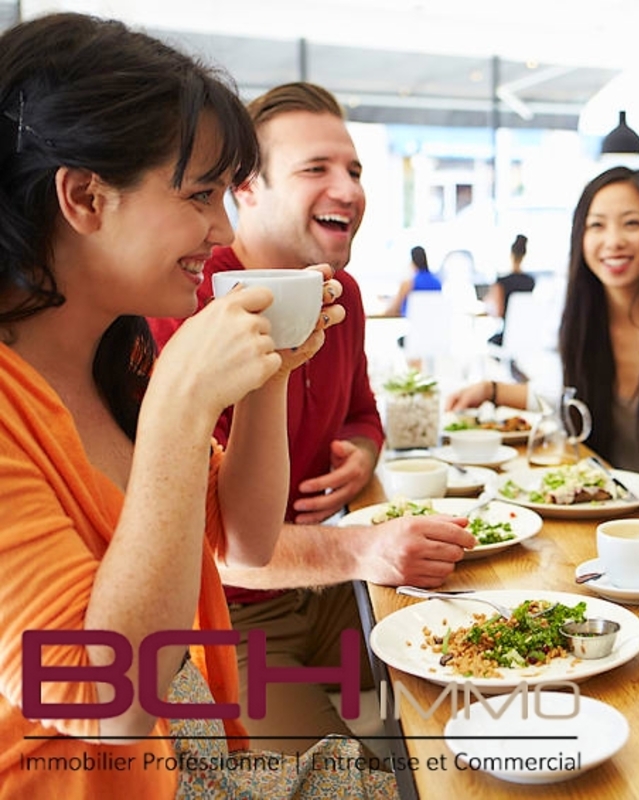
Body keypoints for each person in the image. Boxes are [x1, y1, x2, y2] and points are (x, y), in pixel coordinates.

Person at [0, 14, 399, 798]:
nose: (222, 226)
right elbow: (102, 696)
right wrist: (180, 413)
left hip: (195, 760)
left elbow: (244, 541)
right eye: (200, 195)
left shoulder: (121, 358)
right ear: (84, 196)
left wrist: (272, 373)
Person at [149, 82, 476, 754]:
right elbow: (219, 545)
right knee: (352, 778)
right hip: (226, 620)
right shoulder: (184, 300)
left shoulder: (342, 294)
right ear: (246, 190)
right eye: (315, 169)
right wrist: (363, 548)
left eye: (354, 170)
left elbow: (364, 413)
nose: (349, 189)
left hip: (329, 588)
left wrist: (361, 450)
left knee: (478, 689)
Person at [447, 167, 639, 520]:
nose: (614, 240)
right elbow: (568, 401)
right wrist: (491, 390)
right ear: (580, 237)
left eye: (632, 223)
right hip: (602, 508)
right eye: (597, 225)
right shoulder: (579, 317)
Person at [485, 233, 535, 345]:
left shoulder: (501, 282)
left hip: (506, 338)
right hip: (526, 337)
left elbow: (497, 312)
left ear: (510, 254)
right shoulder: (531, 282)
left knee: (490, 343)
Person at [381, 244, 441, 317]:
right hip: (432, 323)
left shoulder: (409, 283)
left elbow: (393, 309)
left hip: (412, 323)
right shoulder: (437, 282)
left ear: (412, 262)